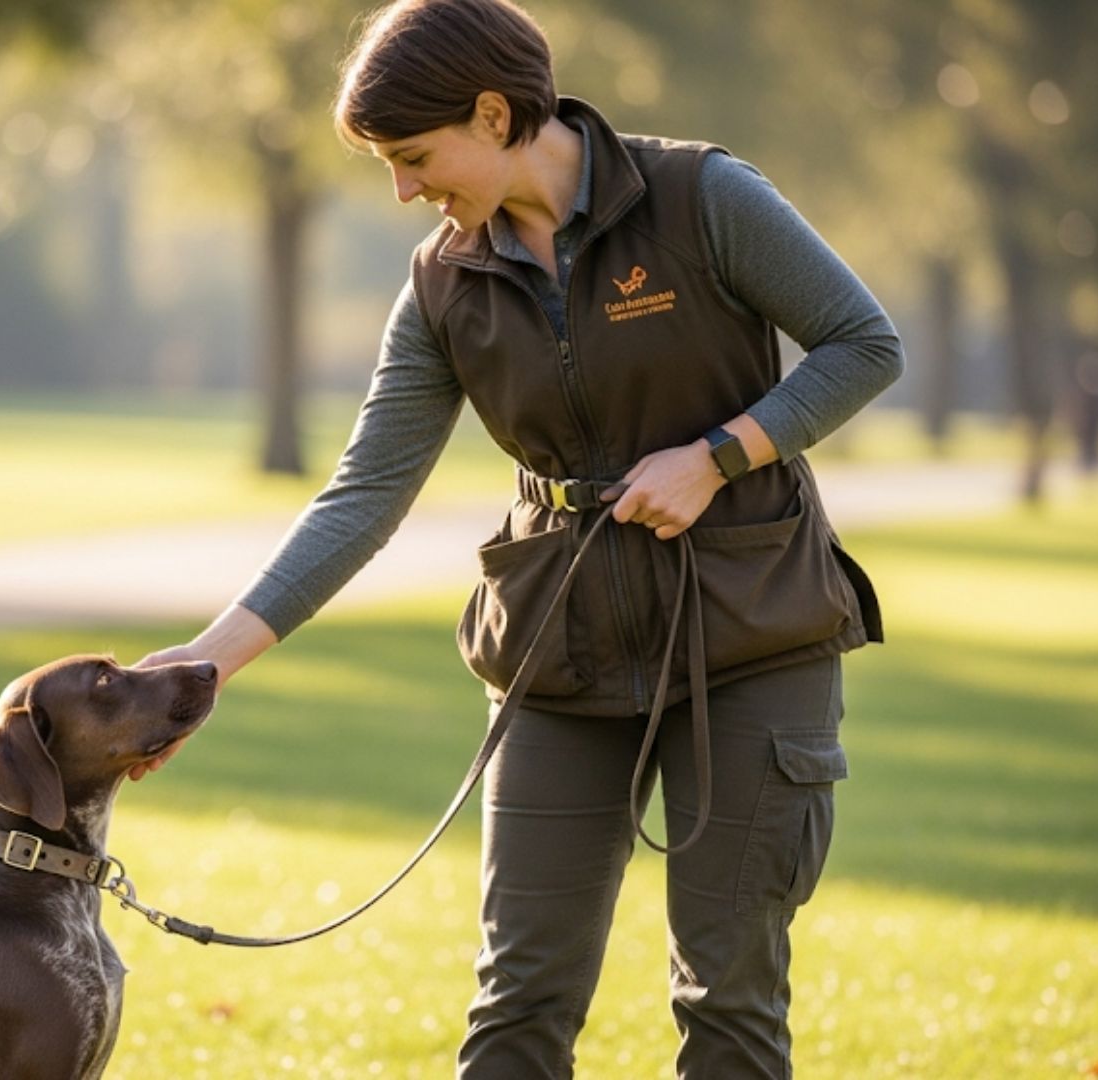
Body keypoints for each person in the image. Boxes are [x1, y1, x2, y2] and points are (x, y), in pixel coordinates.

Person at [134, 0, 902, 1075]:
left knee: (729, 1000)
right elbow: (363, 495)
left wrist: (721, 455)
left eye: (413, 156)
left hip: (753, 633)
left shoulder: (703, 197)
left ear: (494, 114)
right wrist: (201, 667)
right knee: (518, 1004)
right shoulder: (443, 281)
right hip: (557, 649)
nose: (402, 189)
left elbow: (864, 343)